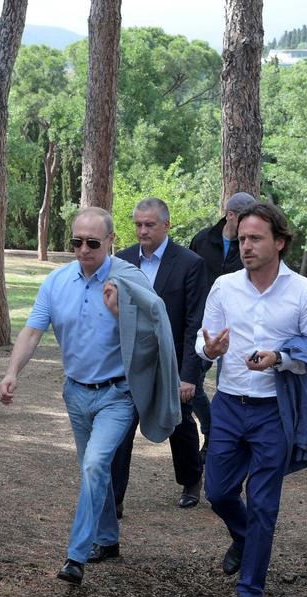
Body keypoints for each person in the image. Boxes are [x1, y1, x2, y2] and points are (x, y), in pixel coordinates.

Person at [0, 207, 180, 586]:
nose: (83, 250)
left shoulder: (129, 281)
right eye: (76, 242)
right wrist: (13, 372)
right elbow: (33, 330)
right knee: (91, 468)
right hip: (75, 393)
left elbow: (156, 340)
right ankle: (109, 539)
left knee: (96, 465)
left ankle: (76, 556)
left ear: (111, 242)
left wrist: (121, 314)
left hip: (118, 394)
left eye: (92, 243)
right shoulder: (57, 281)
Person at [196, 202, 307, 597]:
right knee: (217, 491)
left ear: (280, 243)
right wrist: (209, 349)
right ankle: (243, 537)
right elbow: (204, 342)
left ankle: (250, 588)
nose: (246, 246)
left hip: (275, 411)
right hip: (229, 405)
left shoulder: (306, 293)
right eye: (242, 239)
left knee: (264, 502)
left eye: (255, 239)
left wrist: (280, 358)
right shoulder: (224, 286)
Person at [111, 197, 207, 515]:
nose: (142, 231)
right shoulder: (121, 262)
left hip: (172, 363)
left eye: (149, 225)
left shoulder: (190, 263)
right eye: (138, 224)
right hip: (131, 363)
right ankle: (115, 497)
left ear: (166, 225)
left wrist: (189, 375)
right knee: (121, 428)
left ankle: (191, 480)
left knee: (179, 426)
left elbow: (195, 323)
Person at [188, 191, 256, 459]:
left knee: (237, 388)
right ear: (230, 216)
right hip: (204, 326)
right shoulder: (203, 240)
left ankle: (235, 439)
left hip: (242, 328)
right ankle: (211, 429)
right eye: (245, 218)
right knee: (191, 385)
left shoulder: (252, 245)